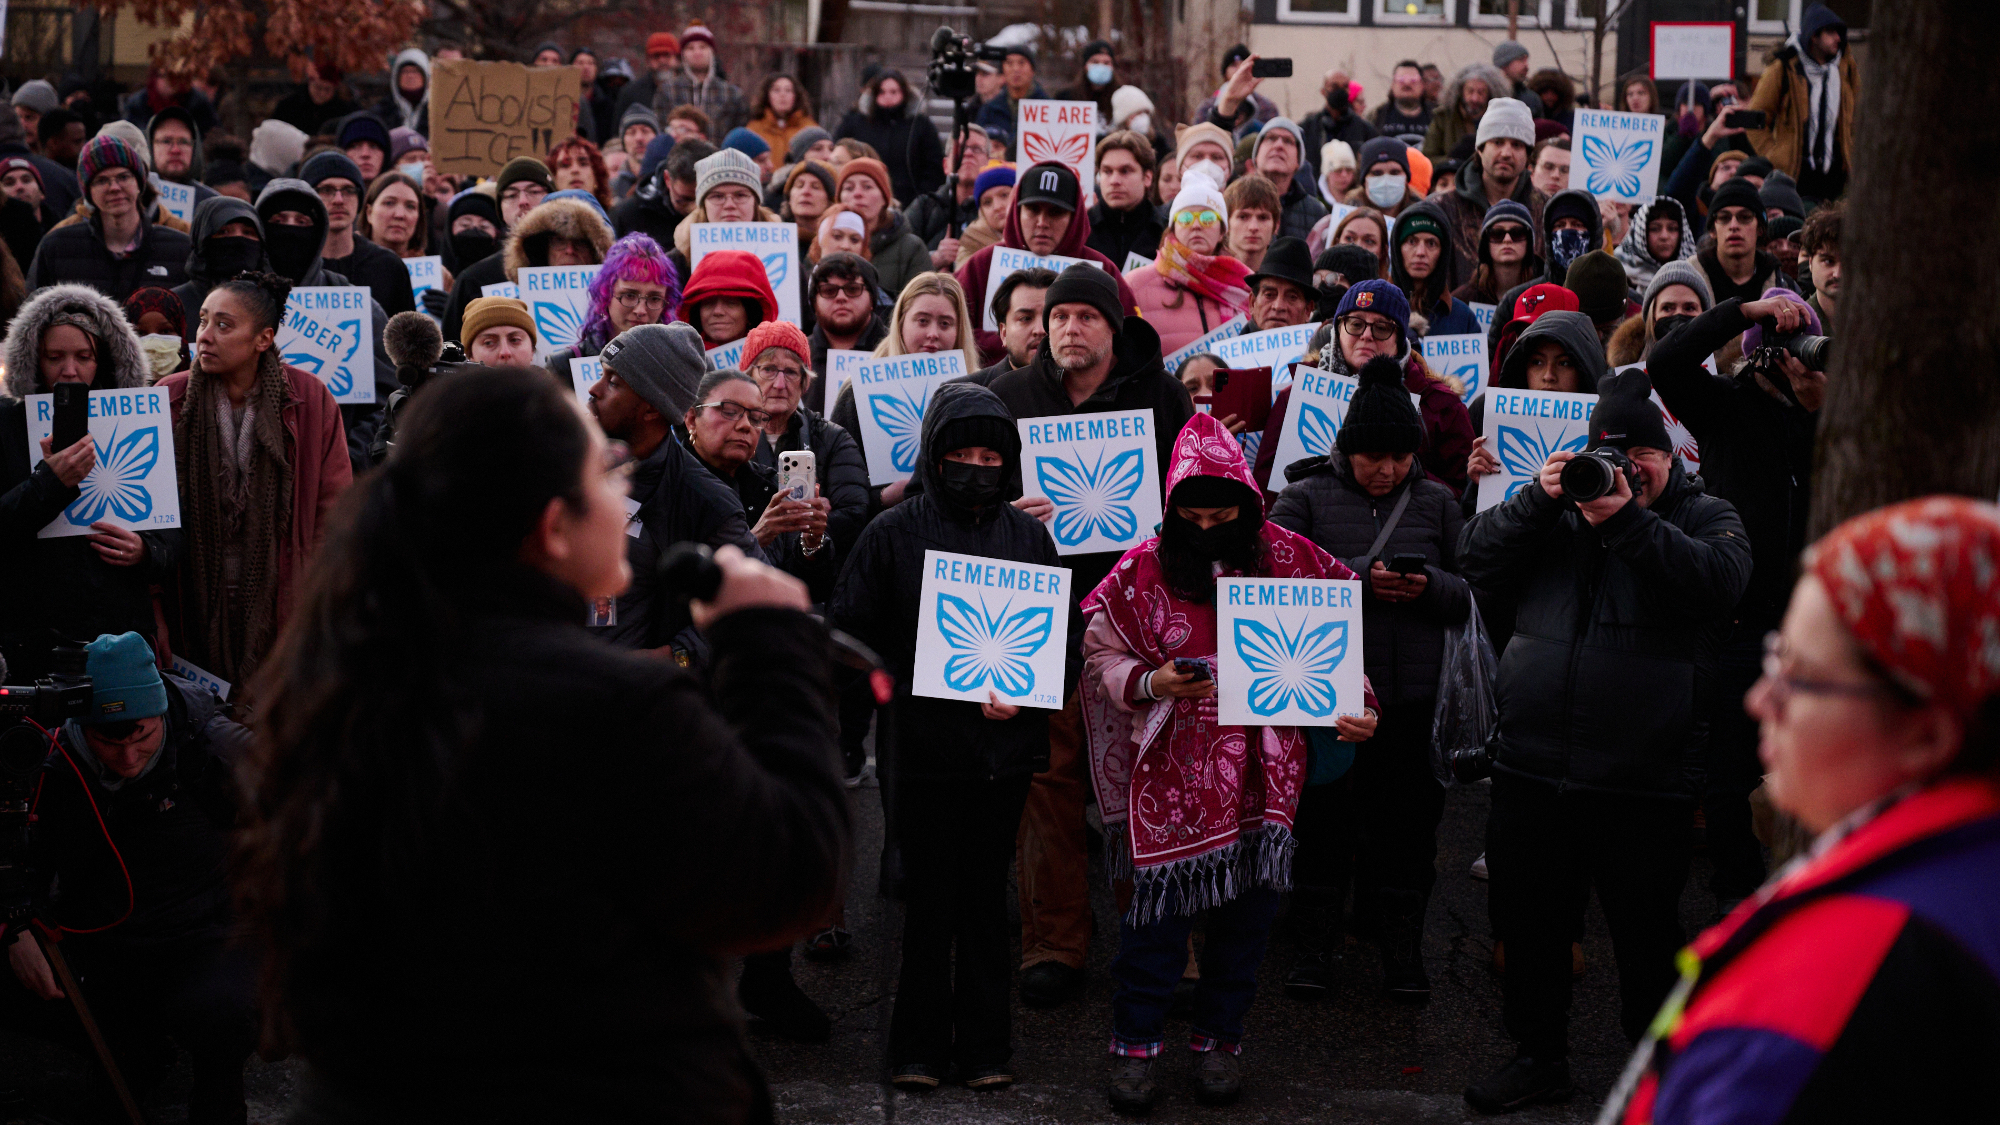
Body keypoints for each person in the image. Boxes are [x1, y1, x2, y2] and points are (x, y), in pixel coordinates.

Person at [235, 359, 845, 1122]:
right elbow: (787, 875)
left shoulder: (347, 675)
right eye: (601, 475)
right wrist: (772, 652)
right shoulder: (615, 705)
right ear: (552, 527)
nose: (621, 494)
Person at [1606, 497, 2000, 1125]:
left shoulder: (1835, 986)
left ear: (1926, 734)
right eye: (1772, 657)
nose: (1762, 699)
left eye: (1799, 674)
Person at [1457, 360, 1751, 1115]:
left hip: (1643, 775)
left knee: (1648, 938)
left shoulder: (1707, 513)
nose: (1627, 468)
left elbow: (1716, 583)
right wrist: (1536, 497)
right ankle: (1538, 1055)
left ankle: (1661, 1074)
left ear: (1669, 455)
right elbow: (1475, 557)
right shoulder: (1555, 510)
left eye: (1642, 455)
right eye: (1611, 454)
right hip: (1532, 763)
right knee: (1532, 928)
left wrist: (1623, 518)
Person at [1085, 412, 1373, 1112]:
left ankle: (1220, 1041)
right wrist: (1153, 682)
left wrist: (1360, 704)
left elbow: (1339, 643)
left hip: (1262, 779)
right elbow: (1100, 653)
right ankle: (1134, 1046)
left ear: (1247, 502)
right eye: (1194, 513)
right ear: (1172, 504)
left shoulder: (1293, 557)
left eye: (1223, 514)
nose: (1209, 527)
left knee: (1248, 924)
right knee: (1154, 927)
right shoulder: (1142, 567)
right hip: (1172, 777)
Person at [829, 380, 1057, 1092]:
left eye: (991, 454)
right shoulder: (890, 534)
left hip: (1002, 755)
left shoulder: (1030, 537)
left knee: (988, 898)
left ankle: (987, 1047)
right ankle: (916, 1048)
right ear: (934, 454)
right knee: (927, 900)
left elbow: (1063, 642)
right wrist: (898, 694)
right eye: (962, 452)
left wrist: (1024, 700)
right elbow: (850, 637)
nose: (977, 465)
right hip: (919, 753)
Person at [984, 265, 1192, 1013]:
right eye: (1059, 316)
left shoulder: (1160, 395)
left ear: (1114, 324)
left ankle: (1174, 936)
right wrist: (1009, 510)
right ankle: (1054, 940)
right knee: (1048, 779)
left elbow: (1193, 496)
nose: (1068, 328)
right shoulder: (1006, 400)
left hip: (1137, 619)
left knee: (1155, 776)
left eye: (1086, 317)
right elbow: (963, 495)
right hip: (1039, 613)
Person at [1269, 353, 1470, 1002]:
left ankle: (1403, 956)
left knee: (1407, 838)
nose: (1387, 470)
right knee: (1321, 830)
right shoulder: (1303, 497)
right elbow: (1272, 587)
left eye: (1400, 458)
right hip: (1325, 702)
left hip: (1411, 703)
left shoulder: (1438, 502)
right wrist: (1358, 577)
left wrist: (1429, 585)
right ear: (1346, 451)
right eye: (1373, 458)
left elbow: (1473, 591)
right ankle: (1310, 951)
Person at [0, 632, 255, 1124]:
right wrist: (14, 928)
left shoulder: (208, 745)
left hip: (201, 935)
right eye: (108, 742)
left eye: (142, 737)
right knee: (119, 1071)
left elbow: (301, 793)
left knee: (223, 1027)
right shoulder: (46, 760)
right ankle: (128, 1055)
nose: (128, 759)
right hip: (102, 944)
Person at [162, 271, 352, 688]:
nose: (205, 336)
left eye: (224, 325)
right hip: (190, 596)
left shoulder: (310, 398)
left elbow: (334, 513)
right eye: (203, 321)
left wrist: (316, 606)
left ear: (263, 339)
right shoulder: (169, 398)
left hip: (282, 597)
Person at [0, 287, 181, 679]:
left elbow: (170, 528)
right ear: (32, 358)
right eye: (54, 357)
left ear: (105, 359)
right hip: (34, 636)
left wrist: (146, 551)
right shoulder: (7, 423)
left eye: (84, 357)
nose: (69, 370)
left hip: (119, 627)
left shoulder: (139, 417)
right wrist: (48, 483)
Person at [585, 320, 763, 649]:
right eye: (601, 374)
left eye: (613, 382)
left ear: (651, 407)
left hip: (638, 694)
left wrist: (675, 657)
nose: (594, 389)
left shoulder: (705, 500)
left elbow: (755, 606)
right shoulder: (568, 464)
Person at [1255, 277, 1472, 496]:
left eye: (1381, 328)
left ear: (1399, 339)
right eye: (1356, 324)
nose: (1366, 336)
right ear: (1338, 329)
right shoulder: (1293, 397)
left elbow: (1460, 496)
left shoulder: (1441, 405)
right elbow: (1267, 493)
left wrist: (1407, 471)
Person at [955, 161, 1137, 365]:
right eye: (1033, 210)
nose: (1042, 222)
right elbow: (951, 329)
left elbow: (1131, 339)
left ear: (1074, 217)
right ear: (1017, 211)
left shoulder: (1103, 271)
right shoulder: (981, 264)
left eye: (1055, 212)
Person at [27, 134, 191, 302]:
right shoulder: (57, 247)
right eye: (101, 180)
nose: (114, 187)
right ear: (88, 192)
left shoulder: (181, 249)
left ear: (139, 183)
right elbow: (32, 316)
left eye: (123, 177)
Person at [1125, 163, 1249, 355]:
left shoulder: (1245, 284)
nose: (1196, 225)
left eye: (1207, 217)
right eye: (1185, 218)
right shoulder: (1136, 285)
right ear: (1173, 228)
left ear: (1222, 230)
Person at [1744, 2, 1856, 201]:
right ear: (1814, 36)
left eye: (1839, 33)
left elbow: (1859, 115)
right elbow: (1754, 120)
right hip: (1796, 176)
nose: (1838, 39)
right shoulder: (1784, 68)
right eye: (1831, 33)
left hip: (1837, 177)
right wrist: (1774, 155)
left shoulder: (1844, 69)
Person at [440, 157, 555, 338]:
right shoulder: (474, 279)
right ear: (500, 210)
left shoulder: (578, 263)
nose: (523, 201)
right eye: (511, 195)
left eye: (534, 191)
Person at [547, 232, 679, 387]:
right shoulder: (564, 366)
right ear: (605, 295)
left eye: (654, 299)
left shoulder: (684, 364)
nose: (641, 310)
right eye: (629, 295)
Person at [1435, 97, 1542, 288]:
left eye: (1517, 145)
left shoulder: (1546, 211)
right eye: (1498, 142)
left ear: (1528, 155)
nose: (1506, 153)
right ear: (1480, 149)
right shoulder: (1443, 210)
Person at [302, 151, 415, 315]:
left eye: (348, 190)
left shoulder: (388, 266)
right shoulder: (295, 267)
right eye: (326, 190)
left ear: (359, 198)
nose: (339, 199)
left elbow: (407, 338)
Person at [671, 146, 784, 278]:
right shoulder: (675, 265)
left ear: (755, 203)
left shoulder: (785, 256)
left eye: (740, 195)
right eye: (717, 196)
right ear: (703, 205)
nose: (729, 205)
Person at [804, 252, 889, 412]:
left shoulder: (898, 352)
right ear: (814, 302)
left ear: (872, 299)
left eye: (853, 289)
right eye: (829, 290)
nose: (841, 297)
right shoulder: (794, 359)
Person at [1699, 177, 1797, 305]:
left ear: (1760, 229)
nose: (1733, 226)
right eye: (1724, 218)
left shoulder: (1784, 285)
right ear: (1712, 230)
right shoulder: (1688, 277)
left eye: (1745, 217)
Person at [905, 127, 990, 268]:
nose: (968, 153)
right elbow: (901, 263)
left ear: (990, 163)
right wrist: (935, 259)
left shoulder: (1000, 212)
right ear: (945, 165)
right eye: (961, 148)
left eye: (976, 149)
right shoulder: (924, 207)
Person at [1390, 201, 1478, 336]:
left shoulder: (1463, 317)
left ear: (1443, 253)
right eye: (1411, 241)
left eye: (1431, 243)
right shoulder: (1375, 312)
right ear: (1397, 249)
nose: (1420, 252)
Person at [614, 137, 710, 254]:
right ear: (668, 179)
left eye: (703, 200)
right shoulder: (628, 216)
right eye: (685, 200)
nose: (695, 209)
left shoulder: (730, 210)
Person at [653, 24, 750, 138]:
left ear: (712, 52)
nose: (697, 52)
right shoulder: (667, 91)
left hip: (719, 154)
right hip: (678, 154)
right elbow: (660, 131)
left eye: (703, 47)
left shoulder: (732, 94)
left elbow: (739, 135)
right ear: (683, 54)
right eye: (690, 48)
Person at [679, 247, 779, 351]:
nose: (718, 312)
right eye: (709, 303)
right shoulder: (675, 358)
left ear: (750, 314)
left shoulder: (779, 362)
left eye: (731, 303)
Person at [1086, 131, 1162, 266]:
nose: (1114, 181)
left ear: (1147, 177)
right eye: (1107, 171)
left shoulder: (1164, 232)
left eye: (1125, 171)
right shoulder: (1082, 229)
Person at [1249, 117, 1329, 243]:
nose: (1279, 145)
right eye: (1271, 138)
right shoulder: (1233, 200)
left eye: (1288, 141)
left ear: (1298, 161)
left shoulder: (1317, 212)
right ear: (1256, 156)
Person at [970, 266, 1055, 384]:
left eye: (1051, 318)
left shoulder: (1086, 394)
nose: (1040, 330)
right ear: (1003, 333)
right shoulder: (967, 393)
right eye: (1025, 318)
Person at [1454, 199, 1539, 308]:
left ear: (1529, 242)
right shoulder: (1462, 300)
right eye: (1497, 234)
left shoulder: (1545, 295)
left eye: (1517, 233)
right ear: (1485, 245)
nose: (1507, 240)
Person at [974, 44, 1048, 158]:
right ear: (1002, 71)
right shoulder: (989, 109)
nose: (1016, 69)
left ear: (1032, 70)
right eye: (1009, 63)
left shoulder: (1048, 108)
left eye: (1021, 63)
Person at [1611, 195, 1695, 296]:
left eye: (1672, 228)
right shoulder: (1616, 275)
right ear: (1641, 234)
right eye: (1655, 229)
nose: (1664, 236)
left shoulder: (1695, 276)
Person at [1302, 74, 1377, 182]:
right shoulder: (1307, 128)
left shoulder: (1366, 130)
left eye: (1345, 87)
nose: (1340, 91)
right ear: (1323, 91)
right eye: (1335, 87)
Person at [1423, 63, 1508, 158]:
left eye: (1481, 92)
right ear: (1460, 92)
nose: (1474, 98)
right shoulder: (1443, 118)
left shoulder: (1501, 120)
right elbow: (1428, 157)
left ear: (1490, 94)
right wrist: (1453, 162)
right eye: (1470, 91)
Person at [1194, 45, 1280, 136]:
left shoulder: (1267, 108)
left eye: (1244, 64)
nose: (1240, 69)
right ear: (1225, 73)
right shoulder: (1206, 108)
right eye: (1234, 65)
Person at [746, 74, 818, 165]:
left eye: (788, 90)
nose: (782, 95)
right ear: (767, 95)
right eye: (776, 90)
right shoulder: (754, 130)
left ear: (795, 95)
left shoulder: (810, 129)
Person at [955, 166, 1015, 269]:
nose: (997, 206)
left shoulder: (1041, 233)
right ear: (981, 211)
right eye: (987, 202)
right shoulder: (970, 242)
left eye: (1004, 195)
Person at [614, 31, 680, 121]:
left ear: (677, 59)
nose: (662, 61)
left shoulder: (689, 89)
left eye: (667, 55)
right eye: (656, 56)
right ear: (647, 61)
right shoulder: (630, 93)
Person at [1222, 173, 1280, 274]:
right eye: (1243, 217)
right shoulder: (1206, 273)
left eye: (1262, 218)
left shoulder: (1285, 279)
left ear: (1276, 226)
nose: (1253, 227)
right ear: (1226, 222)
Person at [1372, 60, 1435, 149]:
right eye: (1401, 79)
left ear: (1422, 85)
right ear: (1393, 85)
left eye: (1413, 80)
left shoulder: (1437, 116)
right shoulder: (1377, 115)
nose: (1407, 83)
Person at [1797, 202, 1840, 326]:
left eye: (1848, 264)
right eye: (1828, 261)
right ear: (1810, 262)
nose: (1837, 274)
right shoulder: (1797, 326)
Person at [371, 48, 431, 136]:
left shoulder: (436, 112)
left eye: (416, 71)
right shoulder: (382, 111)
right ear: (396, 77)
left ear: (425, 76)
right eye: (405, 71)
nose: (410, 76)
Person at [547, 136, 612, 210]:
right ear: (553, 176)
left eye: (583, 164)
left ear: (597, 175)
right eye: (565, 165)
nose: (575, 170)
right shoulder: (542, 220)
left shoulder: (616, 218)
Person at [610, 105, 659, 200]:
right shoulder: (612, 188)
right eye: (631, 132)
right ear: (623, 141)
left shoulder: (668, 183)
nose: (639, 138)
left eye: (645, 131)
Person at [1493, 41, 1535, 112]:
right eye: (1521, 60)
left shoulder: (1530, 100)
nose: (1526, 66)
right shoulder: (1487, 95)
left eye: (1526, 60)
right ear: (1504, 64)